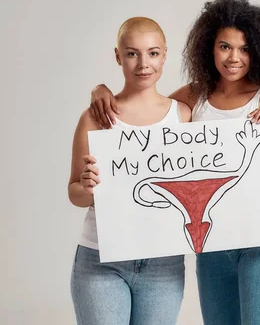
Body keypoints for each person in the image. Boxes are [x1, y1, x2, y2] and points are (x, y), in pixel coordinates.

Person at [89, 0, 260, 325]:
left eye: (244, 49)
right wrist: (101, 90)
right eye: (224, 47)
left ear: (258, 51)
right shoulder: (193, 95)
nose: (234, 57)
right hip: (212, 245)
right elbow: (143, 112)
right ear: (209, 48)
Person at [69, 17, 191, 325]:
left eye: (152, 53)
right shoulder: (96, 117)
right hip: (101, 258)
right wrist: (87, 187)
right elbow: (75, 193)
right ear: (118, 56)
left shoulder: (183, 117)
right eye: (132, 53)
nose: (143, 64)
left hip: (163, 262)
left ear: (165, 55)